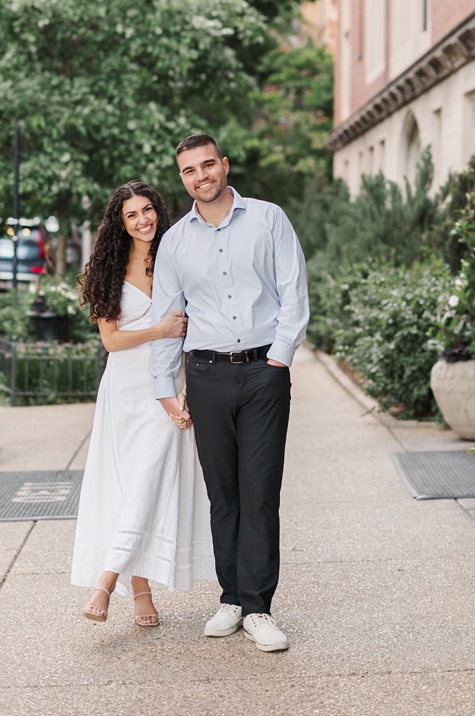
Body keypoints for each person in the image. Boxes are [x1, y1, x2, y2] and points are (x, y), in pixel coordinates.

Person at [150, 133, 308, 653]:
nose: (201, 176)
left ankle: (259, 608)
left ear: (224, 164)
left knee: (259, 492)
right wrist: (165, 386)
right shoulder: (174, 241)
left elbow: (293, 291)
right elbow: (168, 318)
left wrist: (279, 359)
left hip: (263, 370)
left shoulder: (268, 218)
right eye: (190, 170)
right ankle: (232, 598)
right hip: (206, 376)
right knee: (223, 496)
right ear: (183, 179)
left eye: (208, 164)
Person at [71, 181, 214, 627]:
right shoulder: (107, 271)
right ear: (121, 222)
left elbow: (197, 324)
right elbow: (112, 341)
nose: (143, 220)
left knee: (150, 473)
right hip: (124, 390)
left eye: (148, 210)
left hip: (167, 385)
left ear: (158, 211)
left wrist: (189, 382)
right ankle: (141, 591)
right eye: (132, 215)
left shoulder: (177, 256)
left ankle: (106, 581)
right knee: (130, 483)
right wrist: (159, 330)